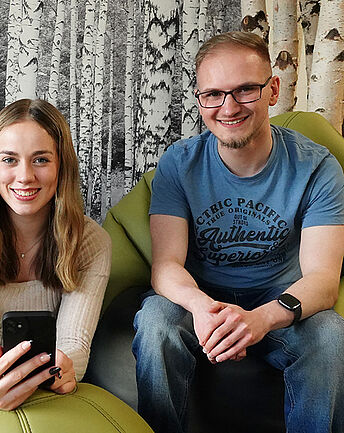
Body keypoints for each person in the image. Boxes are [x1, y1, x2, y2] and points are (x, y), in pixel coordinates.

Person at [135, 30, 344, 433]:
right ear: (200, 100)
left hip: (278, 302)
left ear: (273, 90)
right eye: (213, 94)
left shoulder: (317, 168)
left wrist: (261, 319)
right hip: (200, 299)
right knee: (156, 320)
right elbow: (165, 265)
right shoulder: (179, 164)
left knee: (331, 333)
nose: (228, 107)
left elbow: (322, 280)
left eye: (245, 90)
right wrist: (201, 308)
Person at [0, 99, 139, 417]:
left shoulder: (92, 242)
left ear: (62, 165)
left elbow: (74, 342)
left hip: (43, 377)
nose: (24, 176)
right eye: (9, 159)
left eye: (41, 160)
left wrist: (62, 368)